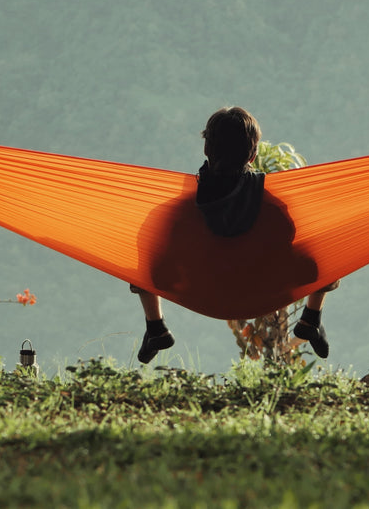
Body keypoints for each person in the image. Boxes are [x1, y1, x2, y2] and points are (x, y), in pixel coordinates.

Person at [132, 105, 337, 364]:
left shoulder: (177, 210)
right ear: (252, 156)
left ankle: (155, 325)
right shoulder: (274, 207)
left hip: (200, 292)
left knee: (146, 245)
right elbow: (290, 247)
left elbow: (155, 263)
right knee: (329, 245)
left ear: (207, 149)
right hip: (262, 294)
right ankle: (310, 318)